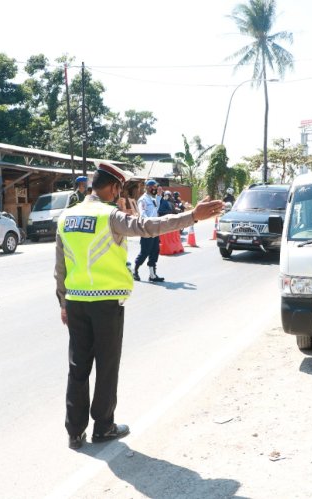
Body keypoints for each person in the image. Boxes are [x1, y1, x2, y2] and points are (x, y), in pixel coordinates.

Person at [55, 161, 223, 450]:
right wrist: (192, 216)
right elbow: (148, 227)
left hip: (75, 302)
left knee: (78, 367)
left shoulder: (66, 217)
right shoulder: (110, 216)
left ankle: (74, 432)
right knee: (106, 366)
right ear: (113, 187)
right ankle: (103, 426)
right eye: (119, 189)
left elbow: (60, 266)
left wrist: (63, 302)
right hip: (105, 302)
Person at [134, 179, 165, 282]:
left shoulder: (152, 198)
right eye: (153, 188)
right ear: (147, 187)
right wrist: (148, 223)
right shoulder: (143, 200)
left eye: (155, 188)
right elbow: (142, 213)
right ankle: (135, 271)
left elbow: (156, 209)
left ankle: (152, 275)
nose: (155, 189)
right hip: (147, 229)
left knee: (155, 251)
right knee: (145, 252)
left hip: (155, 230)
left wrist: (159, 196)